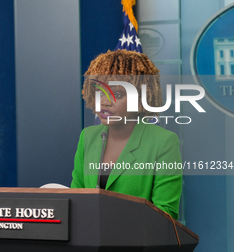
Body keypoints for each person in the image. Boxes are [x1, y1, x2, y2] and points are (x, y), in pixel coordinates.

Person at [71, 49, 182, 220]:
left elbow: (166, 213)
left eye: (117, 94)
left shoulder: (163, 142)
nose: (105, 102)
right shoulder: (88, 137)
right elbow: (76, 199)